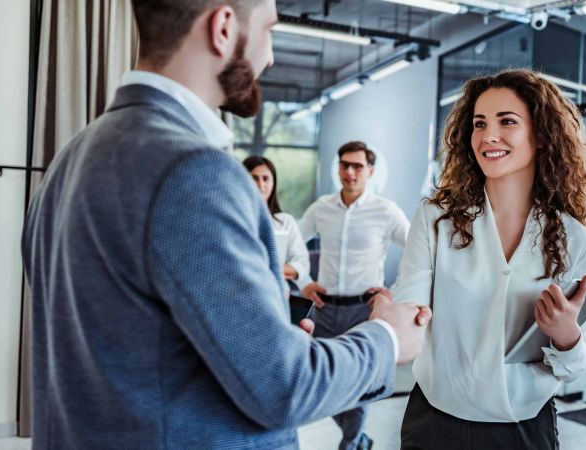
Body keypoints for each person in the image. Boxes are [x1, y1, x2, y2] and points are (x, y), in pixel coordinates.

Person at [21, 1, 431, 448]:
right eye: (269, 31)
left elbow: (129, 350)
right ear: (222, 28)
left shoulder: (68, 160)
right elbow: (285, 387)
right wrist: (387, 338)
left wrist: (260, 335)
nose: (270, 56)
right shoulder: (193, 172)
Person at [396, 69, 586, 449]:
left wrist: (565, 335)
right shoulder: (435, 218)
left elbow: (574, 367)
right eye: (479, 124)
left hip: (523, 430)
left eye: (507, 121)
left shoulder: (575, 238)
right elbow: (408, 314)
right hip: (434, 423)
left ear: (541, 135)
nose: (488, 135)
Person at [298, 141, 411, 450]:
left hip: (363, 312)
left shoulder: (385, 211)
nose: (350, 172)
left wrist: (394, 292)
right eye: (345, 165)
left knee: (360, 386)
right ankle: (359, 439)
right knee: (321, 382)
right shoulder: (321, 207)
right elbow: (293, 244)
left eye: (357, 166)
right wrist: (305, 282)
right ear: (338, 169)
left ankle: (350, 445)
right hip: (324, 310)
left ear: (370, 171)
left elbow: (418, 249)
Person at [243, 156, 311, 293]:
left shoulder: (285, 222)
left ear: (273, 182)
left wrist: (272, 268)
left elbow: (302, 264)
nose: (261, 185)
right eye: (254, 178)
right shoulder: (234, 222)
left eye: (265, 179)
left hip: (276, 296)